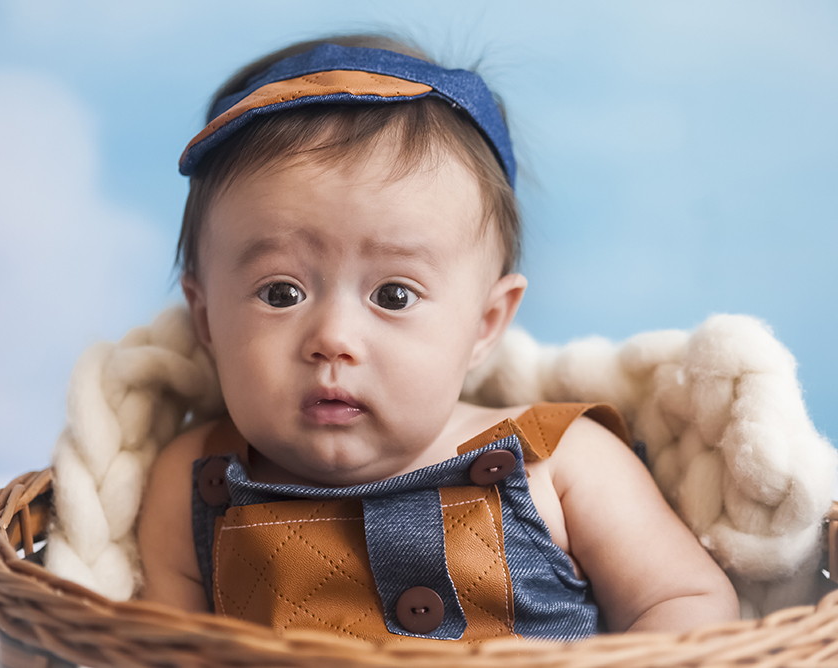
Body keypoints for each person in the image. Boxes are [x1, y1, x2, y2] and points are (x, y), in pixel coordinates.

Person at [137, 34, 738, 642]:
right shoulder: (193, 479)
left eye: (393, 296)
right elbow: (159, 650)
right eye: (280, 293)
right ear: (207, 318)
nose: (333, 339)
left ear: (485, 324)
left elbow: (684, 598)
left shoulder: (558, 461)